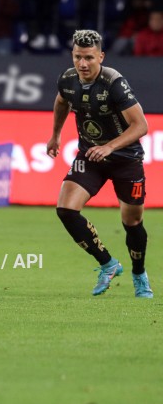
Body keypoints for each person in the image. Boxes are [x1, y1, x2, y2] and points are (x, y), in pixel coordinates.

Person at [46, 29, 152, 298]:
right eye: (78, 57)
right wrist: (56, 135)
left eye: (89, 58)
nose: (83, 64)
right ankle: (107, 263)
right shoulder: (68, 79)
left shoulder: (114, 82)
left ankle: (138, 273)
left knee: (132, 222)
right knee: (65, 209)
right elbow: (61, 102)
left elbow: (141, 126)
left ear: (101, 56)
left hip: (125, 159)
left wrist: (110, 146)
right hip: (91, 156)